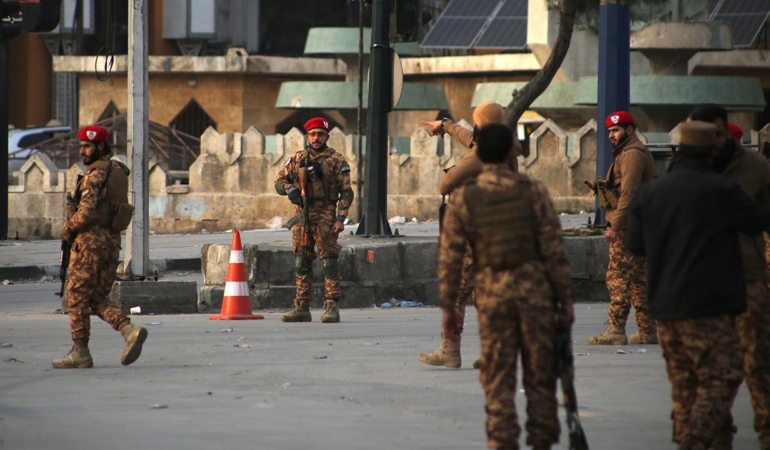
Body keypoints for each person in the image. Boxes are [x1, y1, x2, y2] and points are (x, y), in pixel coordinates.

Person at [626, 120, 770, 450]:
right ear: (712, 152)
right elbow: (759, 220)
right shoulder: (722, 191)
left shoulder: (652, 191)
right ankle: (694, 439)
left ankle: (695, 437)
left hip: (666, 304)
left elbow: (635, 245)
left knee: (683, 381)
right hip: (710, 304)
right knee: (722, 375)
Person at [439, 123, 574, 450]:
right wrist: (564, 302)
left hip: (492, 298)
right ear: (512, 151)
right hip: (535, 297)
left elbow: (450, 260)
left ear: (479, 153)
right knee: (540, 380)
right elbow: (554, 251)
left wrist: (447, 311)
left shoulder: (464, 198)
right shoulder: (533, 190)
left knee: (498, 382)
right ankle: (542, 441)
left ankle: (502, 443)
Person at [418, 101, 522, 369]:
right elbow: (472, 139)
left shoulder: (478, 157)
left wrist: (452, 171)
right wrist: (446, 125)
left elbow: (446, 184)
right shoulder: (506, 148)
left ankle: (449, 351)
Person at [691, 104, 770, 449]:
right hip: (702, 279)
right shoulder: (690, 168)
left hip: (747, 275)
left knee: (759, 362)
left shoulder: (754, 167)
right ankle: (716, 436)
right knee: (709, 368)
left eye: (717, 133)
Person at [53, 125, 147, 369]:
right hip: (111, 242)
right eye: (81, 146)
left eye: (87, 147)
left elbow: (84, 215)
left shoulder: (94, 176)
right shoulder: (117, 171)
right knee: (96, 297)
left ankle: (80, 351)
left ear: (100, 146)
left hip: (89, 244)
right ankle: (129, 330)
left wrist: (67, 228)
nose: (82, 151)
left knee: (76, 296)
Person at [273, 117, 353, 323]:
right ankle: (301, 306)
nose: (316, 138)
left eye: (320, 134)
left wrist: (341, 217)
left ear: (327, 136)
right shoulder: (298, 158)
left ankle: (331, 306)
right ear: (307, 136)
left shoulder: (336, 159)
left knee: (329, 261)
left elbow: (346, 191)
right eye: (312, 134)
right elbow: (279, 180)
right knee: (301, 261)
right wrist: (289, 189)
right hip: (301, 216)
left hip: (326, 214)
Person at [588, 111, 657, 345]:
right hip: (640, 224)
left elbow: (629, 193)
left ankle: (616, 330)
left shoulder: (631, 155)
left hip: (628, 226)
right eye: (609, 131)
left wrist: (614, 226)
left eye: (616, 130)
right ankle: (647, 331)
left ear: (630, 130)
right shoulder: (630, 153)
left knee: (618, 277)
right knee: (639, 279)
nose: (611, 135)